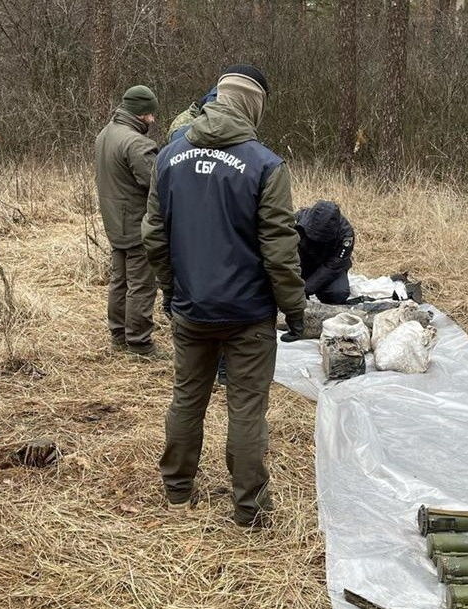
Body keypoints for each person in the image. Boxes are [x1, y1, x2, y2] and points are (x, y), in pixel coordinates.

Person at [143, 65, 305, 528]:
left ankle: (177, 491)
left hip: (192, 308)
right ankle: (249, 508)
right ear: (253, 106)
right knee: (247, 408)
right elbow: (280, 251)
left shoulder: (168, 157)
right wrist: (295, 311)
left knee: (187, 397)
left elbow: (154, 236)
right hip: (249, 313)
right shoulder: (266, 165)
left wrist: (173, 293)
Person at [96, 86, 161, 356]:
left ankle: (119, 335)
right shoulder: (137, 144)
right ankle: (139, 342)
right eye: (151, 114)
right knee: (141, 285)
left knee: (119, 281)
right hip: (136, 225)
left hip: (114, 222)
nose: (154, 120)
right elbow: (157, 185)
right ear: (141, 113)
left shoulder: (105, 134)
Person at [295, 200, 355, 304]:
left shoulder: (345, 234)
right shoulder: (297, 221)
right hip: (300, 264)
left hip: (327, 267)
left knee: (338, 293)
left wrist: (306, 289)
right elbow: (284, 253)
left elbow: (334, 265)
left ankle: (320, 292)